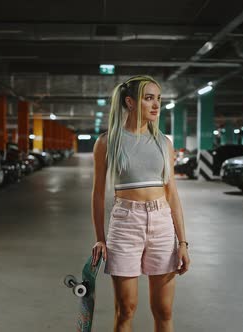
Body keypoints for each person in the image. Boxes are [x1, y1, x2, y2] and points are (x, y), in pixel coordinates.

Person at [91, 75, 190, 332]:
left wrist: (182, 242)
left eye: (158, 99)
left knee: (164, 311)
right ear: (130, 102)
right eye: (149, 98)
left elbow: (173, 195)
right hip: (125, 224)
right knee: (126, 309)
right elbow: (98, 194)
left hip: (161, 223)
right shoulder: (107, 142)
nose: (156, 105)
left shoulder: (163, 143)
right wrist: (100, 238)